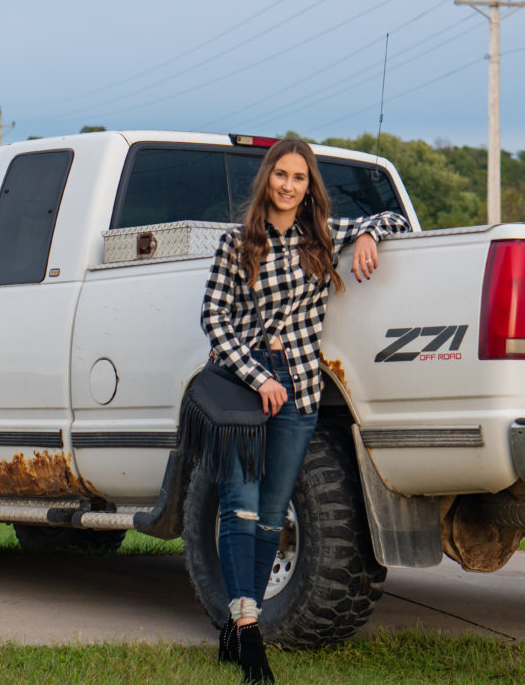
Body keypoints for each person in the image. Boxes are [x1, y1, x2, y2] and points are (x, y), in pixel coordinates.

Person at [199, 138, 408, 684]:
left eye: (300, 178)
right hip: (245, 383)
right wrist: (259, 375)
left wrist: (365, 234)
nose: (289, 185)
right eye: (281, 175)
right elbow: (214, 320)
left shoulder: (322, 238)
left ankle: (235, 626)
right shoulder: (237, 243)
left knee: (272, 512)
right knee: (238, 505)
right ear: (267, 179)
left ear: (309, 186)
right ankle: (248, 626)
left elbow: (393, 218)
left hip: (303, 391)